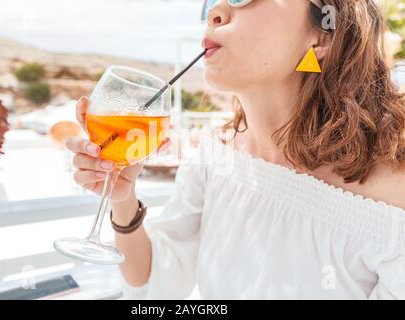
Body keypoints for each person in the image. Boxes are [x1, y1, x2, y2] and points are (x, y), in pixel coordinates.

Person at [66, 0, 405, 299]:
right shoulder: (215, 155)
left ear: (322, 36)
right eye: (211, 1)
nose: (214, 12)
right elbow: (156, 284)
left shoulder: (393, 201)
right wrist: (123, 200)